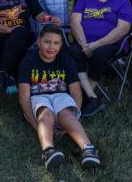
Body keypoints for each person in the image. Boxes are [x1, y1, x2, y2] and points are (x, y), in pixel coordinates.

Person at [18, 24, 101, 170]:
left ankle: (88, 149)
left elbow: (75, 91)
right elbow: (24, 95)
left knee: (66, 114)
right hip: (39, 97)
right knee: (46, 114)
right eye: (47, 42)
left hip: (61, 96)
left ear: (61, 44)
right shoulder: (28, 62)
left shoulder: (66, 60)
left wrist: (76, 117)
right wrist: (34, 123)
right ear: (39, 42)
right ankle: (48, 150)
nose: (51, 47)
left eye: (56, 43)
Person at [68, 0, 132, 116]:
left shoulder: (122, 0)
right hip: (84, 41)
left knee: (100, 54)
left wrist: (94, 45)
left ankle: (81, 97)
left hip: (111, 43)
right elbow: (75, 20)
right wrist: (85, 44)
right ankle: (92, 97)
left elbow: (122, 29)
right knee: (72, 52)